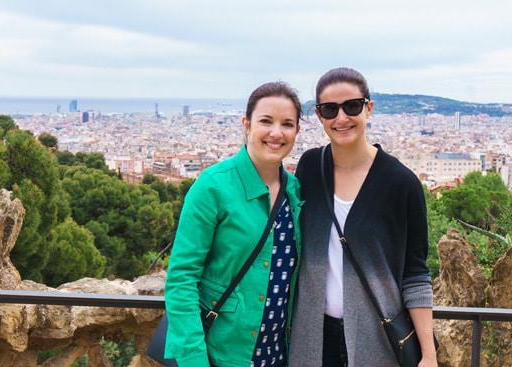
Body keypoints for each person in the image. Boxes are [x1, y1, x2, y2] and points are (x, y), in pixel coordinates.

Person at [288, 67, 438, 367]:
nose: (341, 118)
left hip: (376, 339)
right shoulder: (309, 167)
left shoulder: (401, 183)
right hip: (312, 337)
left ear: (368, 108)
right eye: (330, 110)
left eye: (352, 106)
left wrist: (429, 354)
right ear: (319, 117)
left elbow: (416, 273)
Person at [163, 81, 304, 367]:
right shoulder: (213, 186)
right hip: (223, 354)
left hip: (278, 355)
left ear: (297, 131)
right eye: (266, 121)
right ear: (247, 124)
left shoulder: (295, 190)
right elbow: (181, 279)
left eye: (287, 124)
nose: (276, 132)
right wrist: (193, 361)